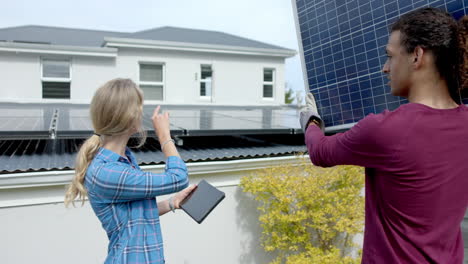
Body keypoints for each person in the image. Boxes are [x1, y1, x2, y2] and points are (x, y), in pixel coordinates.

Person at [300, 8, 468, 264]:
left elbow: (320, 152)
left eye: (390, 56)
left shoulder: (387, 130)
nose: (384, 68)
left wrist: (310, 121)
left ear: (417, 56)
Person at [64, 78, 196, 264]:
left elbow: (132, 217)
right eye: (139, 107)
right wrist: (165, 135)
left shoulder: (124, 160)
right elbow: (178, 178)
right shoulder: (107, 172)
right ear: (129, 117)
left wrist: (172, 203)